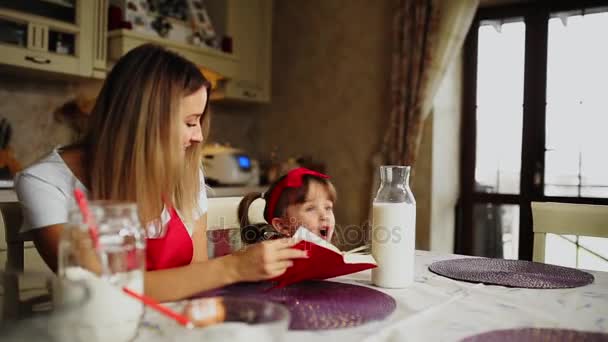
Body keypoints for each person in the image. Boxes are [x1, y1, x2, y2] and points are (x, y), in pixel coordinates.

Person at [15, 44, 307, 302]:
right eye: (190, 122)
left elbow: (197, 274)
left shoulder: (186, 170)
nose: (198, 138)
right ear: (145, 124)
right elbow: (100, 292)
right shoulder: (45, 182)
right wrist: (232, 267)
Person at [238, 167, 337, 244]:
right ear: (282, 226)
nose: (324, 216)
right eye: (310, 209)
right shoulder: (277, 263)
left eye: (328, 208)